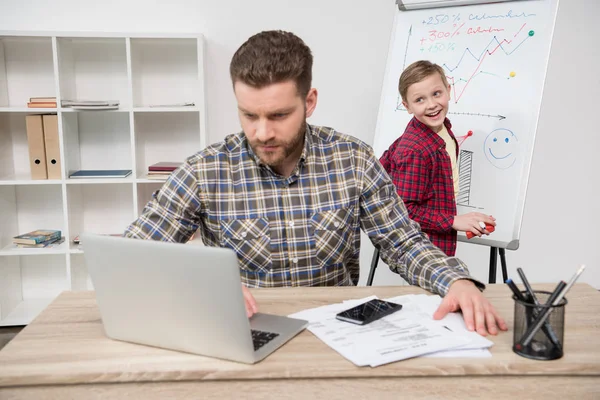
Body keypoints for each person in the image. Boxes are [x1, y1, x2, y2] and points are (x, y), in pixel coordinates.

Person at [124, 31, 506, 336]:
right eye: (248, 115)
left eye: (278, 114)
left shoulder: (352, 159)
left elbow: (402, 243)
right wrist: (200, 286)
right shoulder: (205, 171)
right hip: (245, 333)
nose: (262, 132)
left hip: (337, 333)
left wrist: (456, 281)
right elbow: (134, 257)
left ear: (309, 102)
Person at [379, 60, 496, 257]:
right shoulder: (415, 150)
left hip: (439, 241)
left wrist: (468, 221)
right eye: (420, 100)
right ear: (407, 106)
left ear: (448, 91)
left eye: (436, 94)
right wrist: (453, 221)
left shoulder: (444, 131)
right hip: (420, 248)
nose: (432, 105)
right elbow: (402, 209)